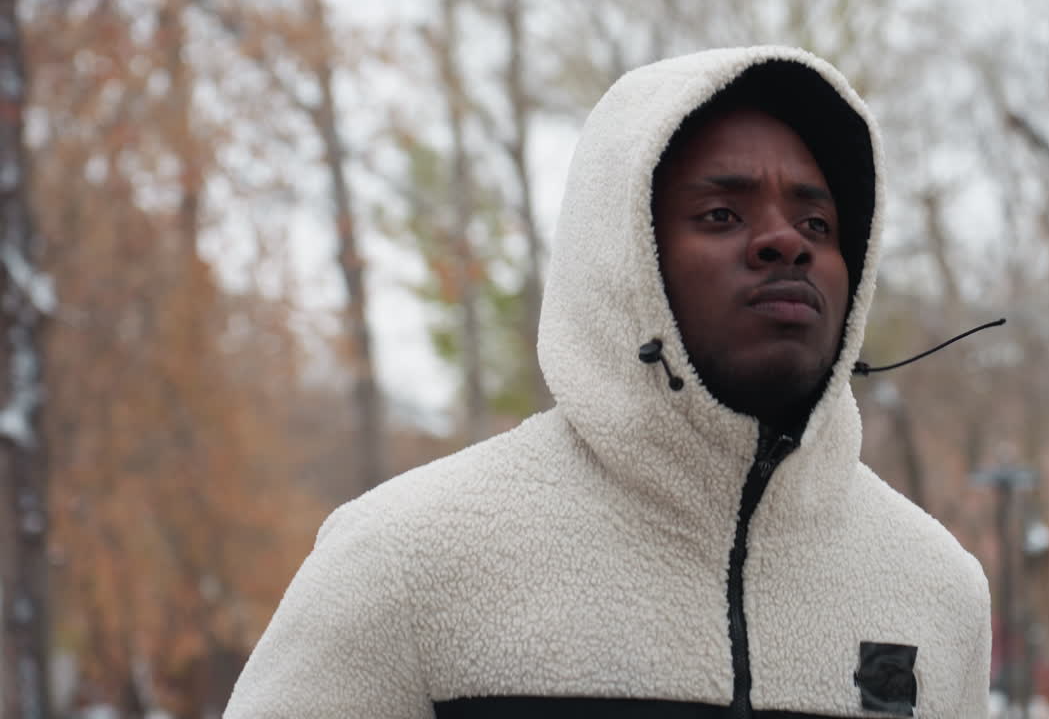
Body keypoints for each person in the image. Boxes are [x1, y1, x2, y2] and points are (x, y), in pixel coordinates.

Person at [225, 46, 991, 718]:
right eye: (722, 214)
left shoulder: (936, 587)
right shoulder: (405, 560)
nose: (784, 242)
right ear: (624, 265)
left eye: (817, 226)